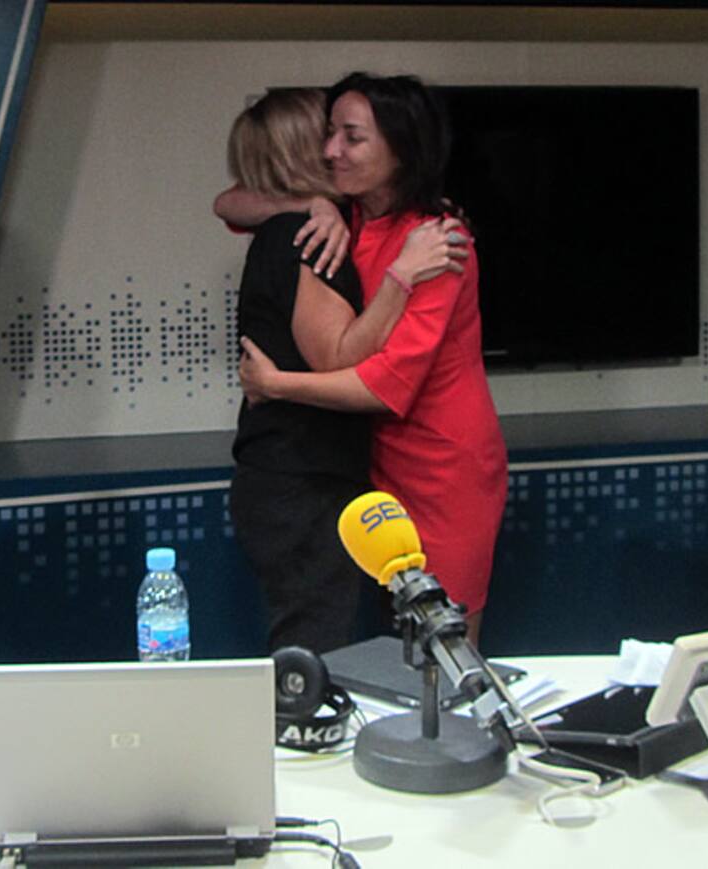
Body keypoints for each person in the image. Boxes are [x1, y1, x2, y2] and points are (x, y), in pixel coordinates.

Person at [229, 73, 508, 646]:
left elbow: (384, 386)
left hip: (440, 467)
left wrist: (277, 384)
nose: (332, 150)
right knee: (375, 644)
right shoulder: (345, 215)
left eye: (351, 137)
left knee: (441, 644)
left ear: (400, 148)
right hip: (368, 465)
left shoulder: (439, 243)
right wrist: (314, 203)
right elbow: (230, 202)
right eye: (329, 134)